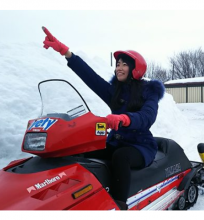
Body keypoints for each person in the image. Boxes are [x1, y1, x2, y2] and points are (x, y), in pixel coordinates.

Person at [42, 27, 165, 209]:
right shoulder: (114, 91)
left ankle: (119, 205)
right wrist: (66, 53)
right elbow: (91, 78)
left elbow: (148, 116)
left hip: (139, 146)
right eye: (117, 64)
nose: (118, 68)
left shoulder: (149, 91)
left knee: (120, 157)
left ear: (135, 68)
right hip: (116, 142)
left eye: (124, 64)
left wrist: (126, 118)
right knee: (83, 150)